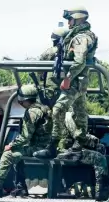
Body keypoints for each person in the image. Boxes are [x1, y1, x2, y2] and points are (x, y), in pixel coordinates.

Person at [34, 6, 98, 159]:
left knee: (57, 110)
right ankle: (80, 144)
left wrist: (67, 78)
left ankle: (53, 147)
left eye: (70, 19)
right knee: (80, 113)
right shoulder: (86, 35)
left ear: (78, 19)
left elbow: (79, 60)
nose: (68, 23)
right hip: (81, 82)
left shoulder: (80, 38)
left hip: (74, 82)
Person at [0, 85, 52, 197]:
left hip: (38, 148)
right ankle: (21, 187)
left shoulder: (31, 113)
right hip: (48, 147)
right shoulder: (45, 108)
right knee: (19, 157)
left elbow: (25, 137)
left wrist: (11, 145)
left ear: (24, 100)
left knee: (8, 154)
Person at [58, 112, 109, 201]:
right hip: (67, 151)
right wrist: (92, 139)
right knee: (99, 158)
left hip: (67, 150)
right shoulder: (69, 117)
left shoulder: (64, 116)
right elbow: (77, 136)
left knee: (99, 148)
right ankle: (99, 192)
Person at [38, 27, 70, 103]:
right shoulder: (71, 52)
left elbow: (40, 63)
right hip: (67, 90)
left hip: (52, 91)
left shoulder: (51, 51)